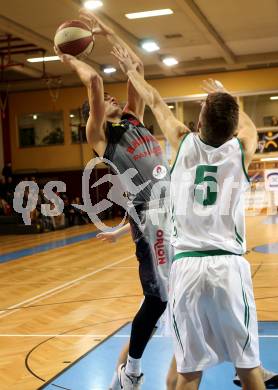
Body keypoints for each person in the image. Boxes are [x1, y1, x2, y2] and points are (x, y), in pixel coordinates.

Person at [112, 47, 278, 390]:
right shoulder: (241, 150)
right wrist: (229, 97)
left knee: (188, 372)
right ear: (233, 127)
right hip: (228, 268)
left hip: (187, 268)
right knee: (249, 366)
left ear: (200, 122)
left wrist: (132, 71)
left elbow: (157, 101)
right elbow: (249, 128)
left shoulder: (183, 142)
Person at [56, 10, 172, 390]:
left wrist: (106, 30)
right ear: (95, 114)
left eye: (111, 98)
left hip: (175, 213)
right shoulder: (102, 137)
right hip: (151, 220)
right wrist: (68, 54)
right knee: (158, 300)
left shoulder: (134, 120)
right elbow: (92, 79)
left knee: (179, 297)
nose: (110, 99)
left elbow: (135, 65)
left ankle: (128, 372)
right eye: (104, 100)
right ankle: (130, 374)